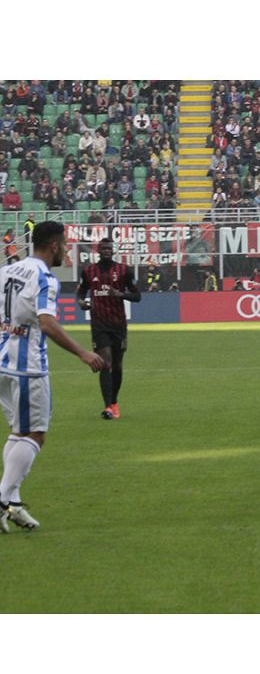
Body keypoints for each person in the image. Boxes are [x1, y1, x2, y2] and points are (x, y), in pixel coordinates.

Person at [0, 221, 104, 531]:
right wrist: (83, 353)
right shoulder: (44, 277)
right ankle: (2, 498)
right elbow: (47, 323)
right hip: (27, 366)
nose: (67, 251)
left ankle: (13, 503)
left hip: (2, 360)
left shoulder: (8, 270)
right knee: (36, 434)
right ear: (54, 245)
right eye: (66, 244)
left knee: (19, 432)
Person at [75, 237, 142, 420]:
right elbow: (80, 292)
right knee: (106, 363)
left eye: (109, 248)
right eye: (103, 248)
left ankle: (114, 402)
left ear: (113, 251)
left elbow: (137, 296)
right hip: (99, 324)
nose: (106, 251)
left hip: (118, 324)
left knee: (117, 366)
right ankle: (107, 407)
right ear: (98, 251)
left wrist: (120, 294)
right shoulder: (89, 271)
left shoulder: (123, 270)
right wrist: (81, 303)